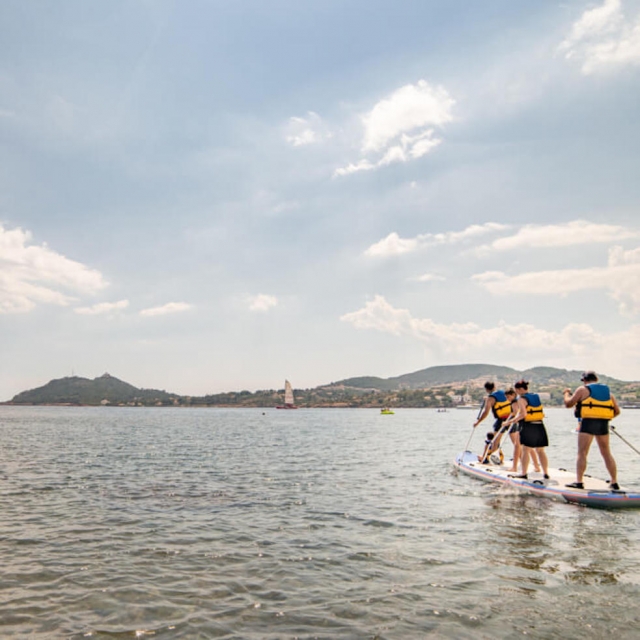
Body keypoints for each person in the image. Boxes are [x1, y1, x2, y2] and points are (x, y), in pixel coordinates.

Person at [563, 371, 621, 491]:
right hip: (603, 424)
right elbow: (617, 411)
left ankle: (579, 482)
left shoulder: (582, 390)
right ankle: (614, 482)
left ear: (584, 380)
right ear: (596, 379)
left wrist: (566, 394)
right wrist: (603, 418)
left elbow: (568, 404)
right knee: (606, 453)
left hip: (588, 423)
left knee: (582, 452)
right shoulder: (608, 394)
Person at [510, 380, 549, 479]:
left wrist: (511, 421)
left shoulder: (521, 399)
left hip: (529, 426)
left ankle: (523, 473)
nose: (516, 393)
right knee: (540, 450)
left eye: (517, 390)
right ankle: (546, 473)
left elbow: (524, 414)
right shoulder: (536, 396)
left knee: (525, 450)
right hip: (539, 425)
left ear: (520, 389)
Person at [474, 382, 511, 455]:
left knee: (495, 441)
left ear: (487, 389)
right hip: (511, 419)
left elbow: (486, 412)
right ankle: (521, 460)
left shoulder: (490, 398)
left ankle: (490, 459)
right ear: (494, 387)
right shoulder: (503, 392)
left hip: (501, 420)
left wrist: (478, 422)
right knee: (516, 442)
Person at [500, 388, 522, 473]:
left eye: (508, 397)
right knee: (526, 446)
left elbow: (517, 414)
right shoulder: (519, 400)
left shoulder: (514, 402)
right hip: (523, 424)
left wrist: (507, 422)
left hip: (520, 425)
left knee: (517, 445)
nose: (507, 399)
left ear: (513, 394)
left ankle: (514, 467)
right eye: (506, 397)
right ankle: (535, 465)